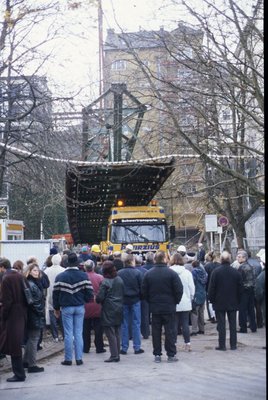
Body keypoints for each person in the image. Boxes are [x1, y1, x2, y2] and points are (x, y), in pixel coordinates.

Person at [141, 251, 183, 363]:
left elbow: (144, 291)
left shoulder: (149, 274)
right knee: (170, 331)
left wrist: (150, 301)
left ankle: (157, 355)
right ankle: (171, 354)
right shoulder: (172, 274)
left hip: (155, 307)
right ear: (165, 259)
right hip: (169, 307)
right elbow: (179, 289)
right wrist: (175, 301)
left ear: (155, 260)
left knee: (156, 332)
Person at [53, 252, 93, 366]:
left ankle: (68, 359)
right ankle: (79, 359)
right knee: (78, 333)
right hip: (79, 307)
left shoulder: (60, 277)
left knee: (68, 334)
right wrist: (82, 300)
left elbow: (55, 294)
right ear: (77, 263)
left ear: (66, 263)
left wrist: (56, 308)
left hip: (66, 308)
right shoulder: (83, 275)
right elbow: (90, 293)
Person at [208, 251, 243, 351]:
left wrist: (211, 300)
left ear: (221, 260)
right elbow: (241, 288)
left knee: (221, 324)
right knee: (232, 325)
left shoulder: (216, 272)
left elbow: (212, 288)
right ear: (230, 259)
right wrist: (238, 300)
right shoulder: (236, 272)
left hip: (219, 302)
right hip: (233, 301)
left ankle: (222, 345)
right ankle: (233, 345)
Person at [0, 258, 28, 382]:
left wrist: (3, 315)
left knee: (13, 344)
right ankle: (19, 372)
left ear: (2, 267)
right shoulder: (19, 275)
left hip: (12, 314)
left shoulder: (6, 279)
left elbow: (6, 301)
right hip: (22, 311)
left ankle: (19, 374)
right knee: (15, 343)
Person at [96, 261, 124, 362]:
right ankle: (117, 353)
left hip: (108, 309)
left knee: (110, 333)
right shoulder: (119, 280)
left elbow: (100, 297)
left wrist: (97, 298)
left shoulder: (105, 282)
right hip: (119, 307)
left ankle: (114, 355)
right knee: (117, 332)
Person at [118, 253, 144, 355]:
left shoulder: (119, 273)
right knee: (136, 323)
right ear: (132, 261)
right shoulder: (138, 273)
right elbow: (142, 287)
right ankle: (137, 347)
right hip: (135, 300)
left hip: (123, 300)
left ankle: (124, 347)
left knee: (124, 324)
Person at [23, 263, 46, 373]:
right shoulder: (31, 284)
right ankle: (32, 364)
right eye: (34, 270)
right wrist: (40, 312)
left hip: (33, 315)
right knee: (34, 339)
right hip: (34, 316)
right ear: (29, 271)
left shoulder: (32, 283)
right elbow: (33, 302)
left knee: (32, 339)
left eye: (38, 270)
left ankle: (26, 361)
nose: (37, 272)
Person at [170, 253, 195, 351]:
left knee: (174, 324)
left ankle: (174, 343)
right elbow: (192, 288)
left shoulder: (169, 272)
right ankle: (187, 343)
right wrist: (191, 298)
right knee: (185, 323)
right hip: (185, 301)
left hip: (173, 301)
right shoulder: (187, 273)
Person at [83, 259, 106, 354]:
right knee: (98, 328)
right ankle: (99, 347)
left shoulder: (82, 277)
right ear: (93, 267)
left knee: (85, 328)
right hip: (97, 305)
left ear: (85, 267)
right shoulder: (100, 277)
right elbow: (103, 291)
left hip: (85, 305)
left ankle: (86, 347)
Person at [44, 253, 65, 342]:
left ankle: (55, 336)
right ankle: (64, 335)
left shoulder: (46, 271)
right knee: (62, 315)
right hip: (61, 294)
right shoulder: (64, 270)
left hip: (49, 294)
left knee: (52, 314)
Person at [236, 250, 257, 333]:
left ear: (244, 258)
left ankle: (243, 328)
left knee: (242, 309)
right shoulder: (251, 266)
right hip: (251, 289)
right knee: (251, 309)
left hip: (244, 290)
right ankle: (253, 326)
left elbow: (239, 281)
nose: (237, 257)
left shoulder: (241, 267)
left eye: (239, 256)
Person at [190, 260, 207, 336]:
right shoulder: (204, 273)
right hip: (203, 293)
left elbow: (192, 283)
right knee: (201, 312)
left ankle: (194, 330)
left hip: (196, 294)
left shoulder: (193, 273)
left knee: (194, 312)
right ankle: (202, 329)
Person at [204, 251, 220, 323]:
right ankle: (218, 315)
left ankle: (212, 316)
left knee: (209, 302)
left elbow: (205, 277)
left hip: (209, 286)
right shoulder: (220, 265)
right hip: (219, 286)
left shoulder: (207, 266)